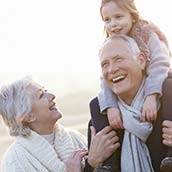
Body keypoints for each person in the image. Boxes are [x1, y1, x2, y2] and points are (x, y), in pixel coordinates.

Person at [0, 77, 120, 172]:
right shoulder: (16, 160)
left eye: (45, 90)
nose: (52, 96)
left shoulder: (74, 137)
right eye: (41, 95)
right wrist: (92, 162)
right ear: (27, 116)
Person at [88, 35, 169, 172]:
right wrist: (92, 162)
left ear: (141, 60)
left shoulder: (168, 101)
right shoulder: (101, 119)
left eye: (118, 59)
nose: (112, 69)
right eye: (105, 64)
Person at [98, 0, 170, 130]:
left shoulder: (146, 34)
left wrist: (151, 96)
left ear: (132, 16)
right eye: (107, 20)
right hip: (133, 89)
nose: (113, 24)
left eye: (118, 17)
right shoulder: (111, 44)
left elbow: (160, 64)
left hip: (156, 84)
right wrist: (111, 106)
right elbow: (106, 79)